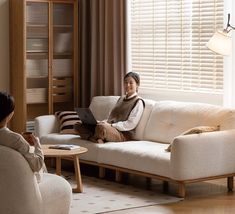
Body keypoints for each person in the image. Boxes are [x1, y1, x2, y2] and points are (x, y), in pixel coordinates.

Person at [74, 72, 145, 143]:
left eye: (131, 83)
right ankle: (97, 138)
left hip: (123, 134)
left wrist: (111, 125)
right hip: (110, 127)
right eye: (125, 82)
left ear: (137, 85)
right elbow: (112, 117)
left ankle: (94, 137)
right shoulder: (121, 98)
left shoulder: (138, 102)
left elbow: (130, 124)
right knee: (78, 125)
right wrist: (102, 122)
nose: (127, 85)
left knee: (101, 128)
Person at [0, 91, 45, 182]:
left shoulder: (15, 139)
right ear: (10, 114)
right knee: (40, 162)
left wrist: (23, 143)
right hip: (19, 182)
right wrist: (37, 144)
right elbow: (37, 165)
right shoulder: (16, 139)